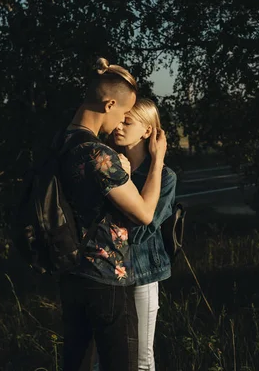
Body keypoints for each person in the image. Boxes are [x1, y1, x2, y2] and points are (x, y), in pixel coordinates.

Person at [58, 57, 167, 371]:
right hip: (105, 275)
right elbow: (146, 213)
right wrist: (157, 162)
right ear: (109, 104)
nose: (119, 123)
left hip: (68, 270)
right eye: (122, 113)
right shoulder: (99, 154)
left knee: (77, 361)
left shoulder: (60, 142)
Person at [112, 98, 177, 370]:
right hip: (109, 274)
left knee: (141, 357)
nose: (118, 126)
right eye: (118, 119)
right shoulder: (109, 168)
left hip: (143, 274)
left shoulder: (166, 176)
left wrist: (129, 181)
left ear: (147, 131)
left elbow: (141, 231)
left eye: (127, 122)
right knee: (106, 356)